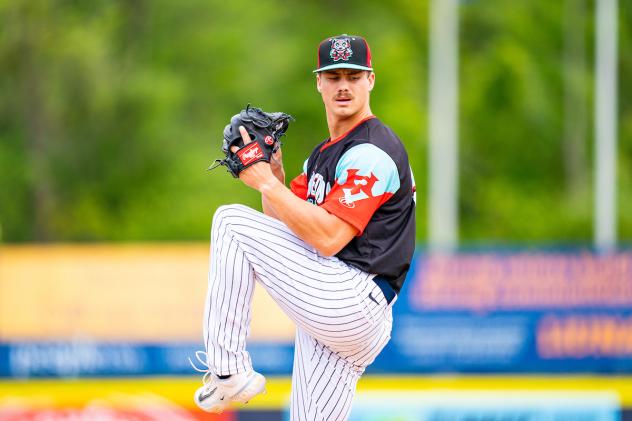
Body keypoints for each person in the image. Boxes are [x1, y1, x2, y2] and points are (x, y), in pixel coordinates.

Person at [191, 34, 416, 420]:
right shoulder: (323, 155)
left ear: (370, 80)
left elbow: (328, 238)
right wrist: (276, 175)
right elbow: (286, 225)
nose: (343, 85)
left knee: (230, 222)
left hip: (352, 297)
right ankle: (229, 371)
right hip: (338, 309)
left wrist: (263, 181)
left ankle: (227, 369)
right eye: (333, 76)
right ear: (319, 82)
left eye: (353, 75)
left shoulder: (373, 150)